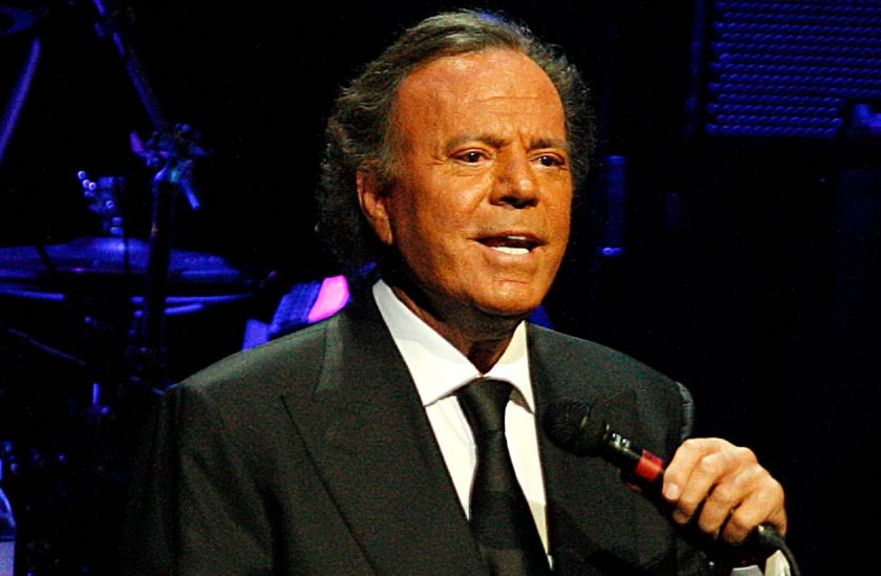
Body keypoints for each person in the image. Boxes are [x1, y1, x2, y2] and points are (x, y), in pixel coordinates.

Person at [120, 10, 789, 576]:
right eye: (473, 156)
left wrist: (749, 557)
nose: (522, 187)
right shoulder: (233, 424)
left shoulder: (644, 407)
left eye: (549, 159)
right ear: (379, 198)